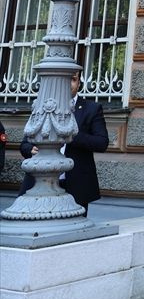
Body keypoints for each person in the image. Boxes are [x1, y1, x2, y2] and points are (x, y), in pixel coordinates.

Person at [20, 69, 109, 213]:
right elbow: (24, 144)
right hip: (40, 182)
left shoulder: (91, 109)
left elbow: (101, 143)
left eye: (73, 79)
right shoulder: (42, 106)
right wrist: (30, 150)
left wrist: (70, 135)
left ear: (79, 83)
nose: (68, 84)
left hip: (76, 184)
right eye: (64, 79)